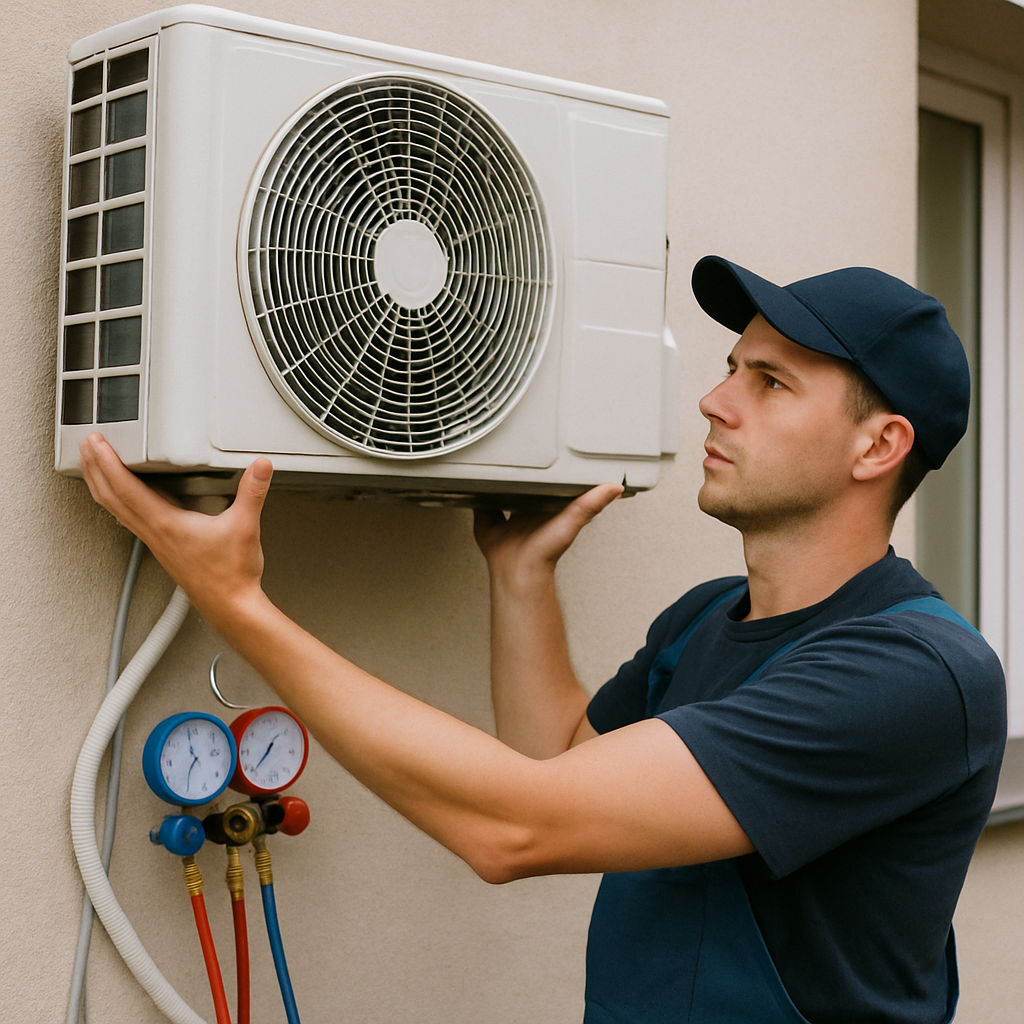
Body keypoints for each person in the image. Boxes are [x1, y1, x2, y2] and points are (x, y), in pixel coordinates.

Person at [78, 254, 1006, 1024]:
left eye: (770, 383)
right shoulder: (708, 617)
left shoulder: (916, 675)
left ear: (878, 447)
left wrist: (240, 606)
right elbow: (557, 764)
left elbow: (514, 825)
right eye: (732, 368)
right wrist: (520, 579)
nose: (716, 403)